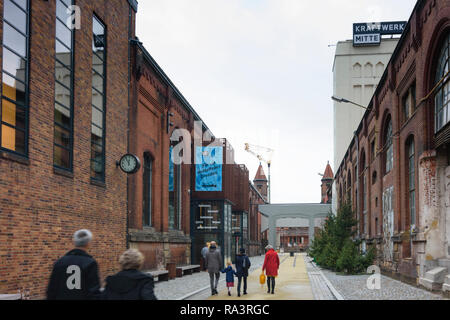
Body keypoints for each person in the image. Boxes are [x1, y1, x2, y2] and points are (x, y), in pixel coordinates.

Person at [47, 229, 101, 300]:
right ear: (88, 243)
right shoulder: (90, 263)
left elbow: (52, 289)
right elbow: (93, 292)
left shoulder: (60, 262)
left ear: (74, 242)